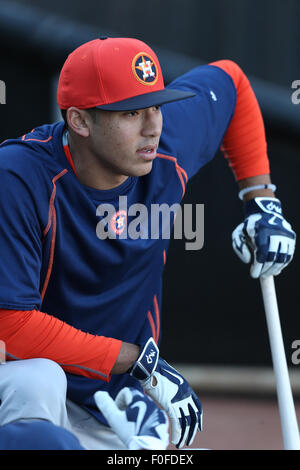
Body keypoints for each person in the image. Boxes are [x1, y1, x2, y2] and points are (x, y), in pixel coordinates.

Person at [0, 36, 295, 450]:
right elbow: (9, 327)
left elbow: (230, 82)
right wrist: (139, 361)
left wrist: (262, 201)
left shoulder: (161, 149)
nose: (153, 126)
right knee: (40, 392)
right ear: (80, 121)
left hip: (117, 399)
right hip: (22, 382)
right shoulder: (17, 177)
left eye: (156, 105)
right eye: (131, 111)